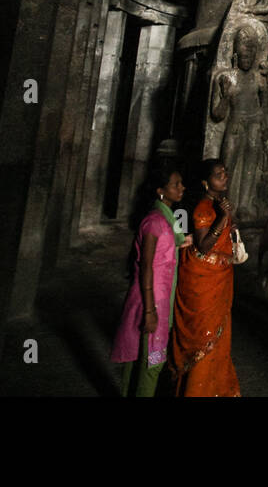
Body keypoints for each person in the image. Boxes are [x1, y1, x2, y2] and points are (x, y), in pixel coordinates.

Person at [111, 164, 186, 396]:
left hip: (155, 299)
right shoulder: (154, 222)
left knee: (138, 356)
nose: (181, 188)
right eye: (176, 184)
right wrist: (150, 311)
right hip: (151, 301)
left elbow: (177, 241)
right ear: (160, 191)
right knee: (154, 361)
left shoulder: (166, 217)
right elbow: (146, 266)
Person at [172, 160, 241, 396]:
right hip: (203, 279)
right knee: (204, 337)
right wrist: (223, 220)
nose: (224, 176)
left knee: (216, 336)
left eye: (225, 172)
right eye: (218, 174)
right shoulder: (204, 207)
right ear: (205, 182)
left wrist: (227, 225)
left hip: (217, 278)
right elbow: (202, 246)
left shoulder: (218, 204)